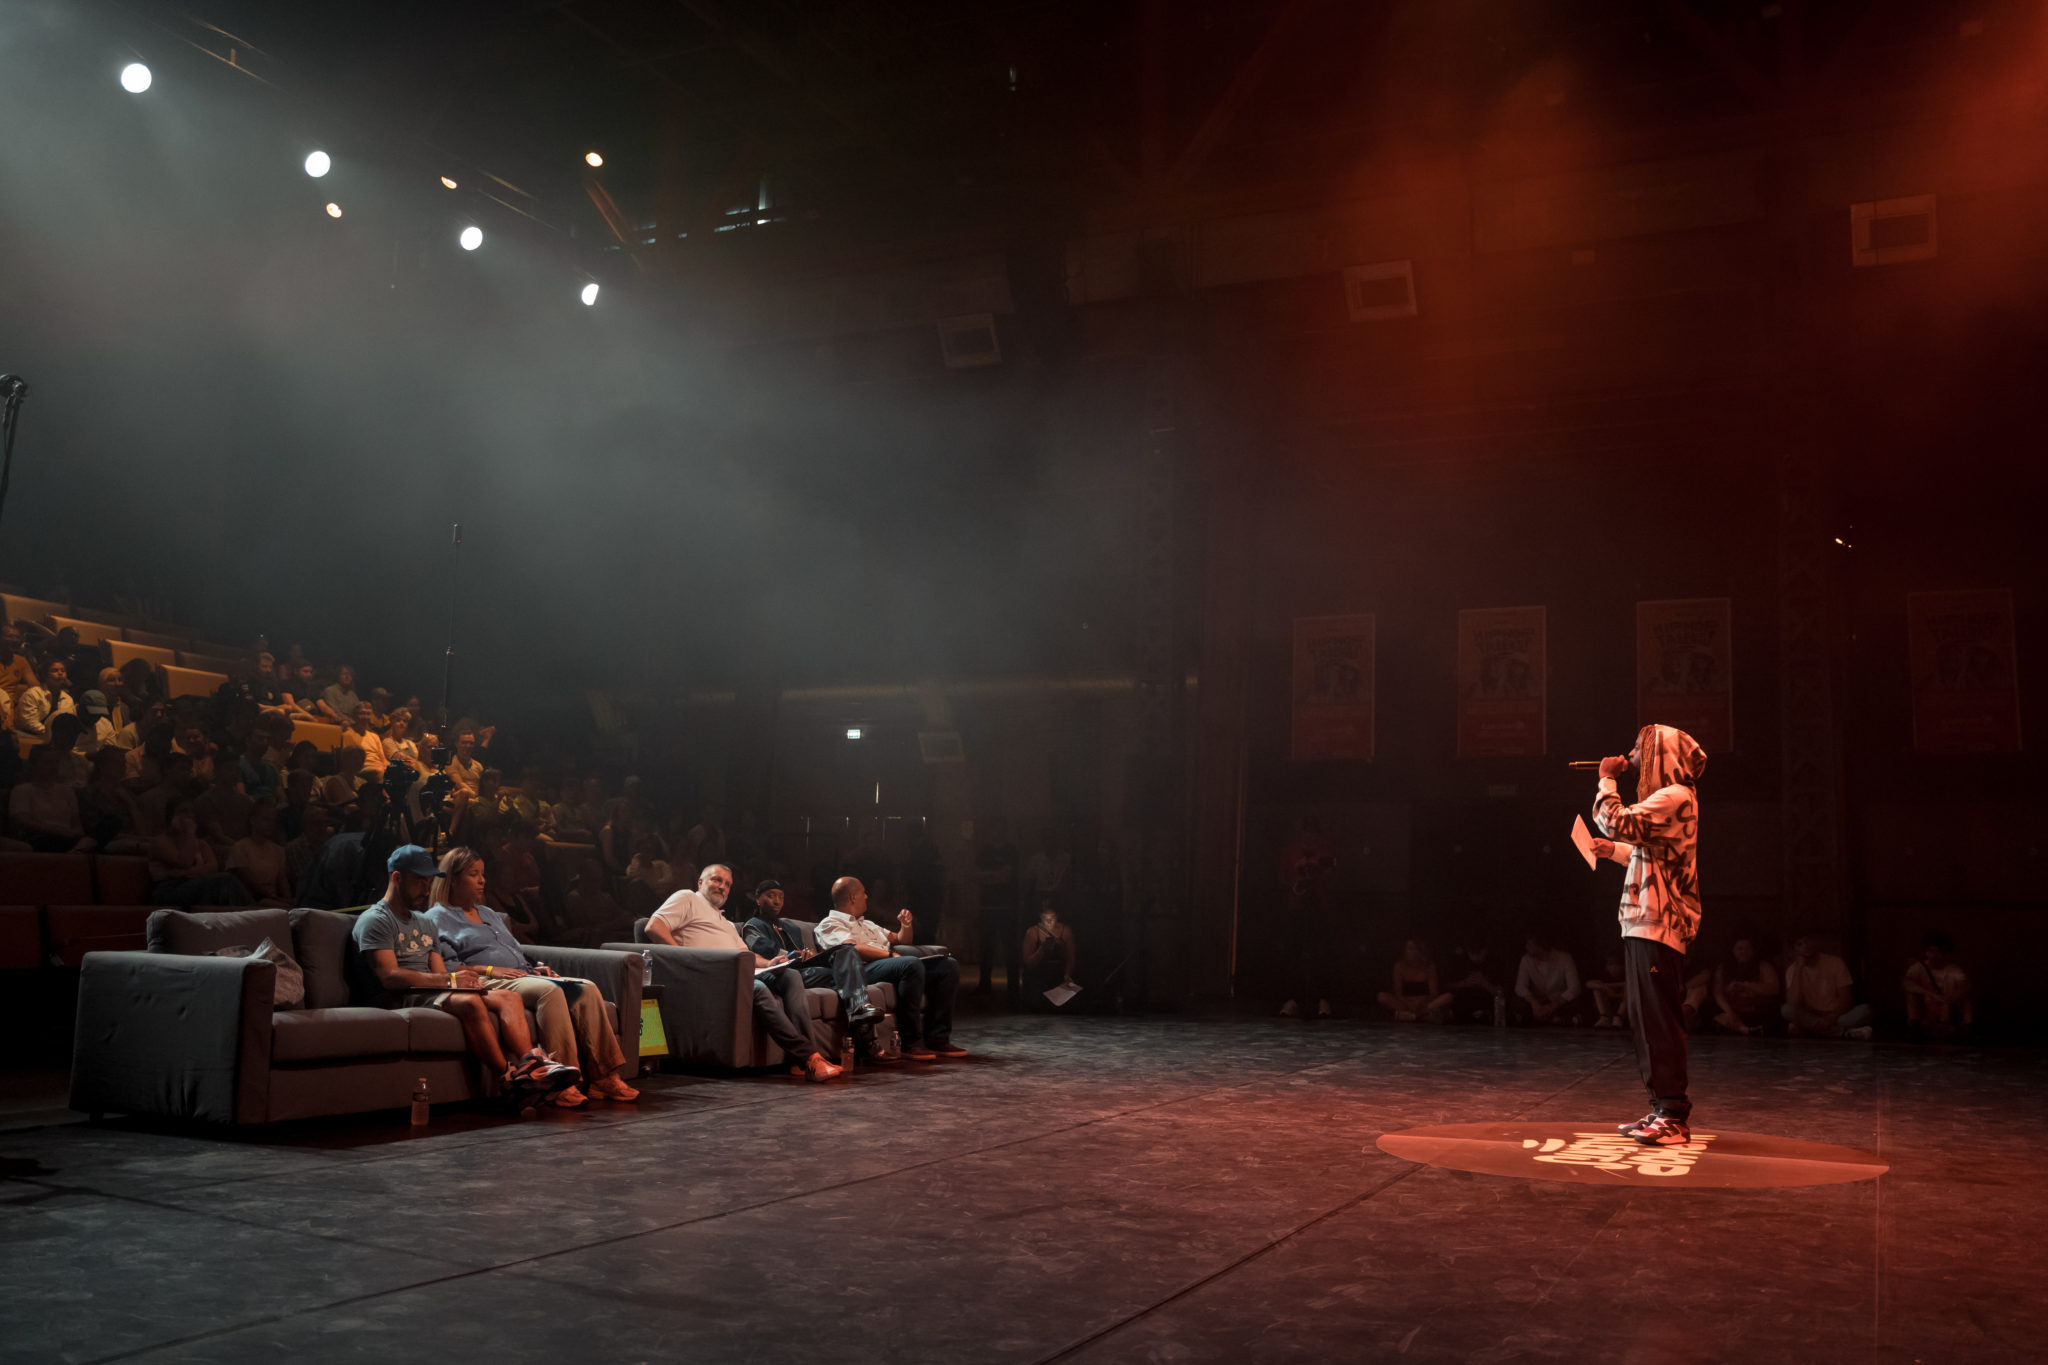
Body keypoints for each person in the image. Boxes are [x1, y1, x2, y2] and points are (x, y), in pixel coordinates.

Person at [354, 844, 576, 1104]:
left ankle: (531, 1064)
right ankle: (507, 1077)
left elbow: (438, 969)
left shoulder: (423, 922)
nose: (426, 889)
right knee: (470, 1002)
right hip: (402, 995)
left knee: (508, 997)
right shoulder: (377, 920)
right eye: (419, 881)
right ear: (397, 878)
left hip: (430, 990)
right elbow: (390, 976)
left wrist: (461, 981)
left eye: (429, 881)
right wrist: (449, 980)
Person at [427, 845, 639, 1104]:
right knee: (549, 991)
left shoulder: (488, 913)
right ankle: (561, 1082)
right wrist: (490, 969)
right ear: (453, 879)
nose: (482, 880)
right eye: (474, 874)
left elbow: (515, 949)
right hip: (487, 980)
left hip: (519, 974)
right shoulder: (437, 918)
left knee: (586, 988)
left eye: (482, 874)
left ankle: (604, 1078)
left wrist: (535, 967)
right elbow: (448, 967)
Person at [1591, 722, 1709, 1147]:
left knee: (1658, 1020)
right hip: (1647, 921)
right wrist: (1615, 852)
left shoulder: (1674, 796)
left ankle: (1673, 1114)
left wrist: (1607, 779)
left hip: (1659, 923)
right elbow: (1649, 854)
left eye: (1641, 749)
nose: (1632, 757)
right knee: (1646, 1019)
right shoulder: (1670, 800)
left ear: (1662, 754)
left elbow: (1614, 820)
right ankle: (1662, 1108)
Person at [646, 864, 844, 1082]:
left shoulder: (726, 923)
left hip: (739, 972)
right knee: (757, 988)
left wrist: (770, 963)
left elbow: (746, 954)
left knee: (790, 976)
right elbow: (654, 927)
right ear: (700, 882)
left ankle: (806, 1061)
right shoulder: (687, 898)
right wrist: (683, 958)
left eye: (727, 884)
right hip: (708, 974)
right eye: (716, 880)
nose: (722, 887)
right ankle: (809, 1058)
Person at [816, 876, 967, 1061]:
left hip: (887, 964)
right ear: (853, 897)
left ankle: (938, 1039)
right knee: (910, 964)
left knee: (947, 966)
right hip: (860, 971)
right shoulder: (830, 924)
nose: (867, 896)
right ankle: (910, 1043)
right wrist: (890, 955)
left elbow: (902, 940)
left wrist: (906, 924)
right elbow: (851, 949)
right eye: (863, 892)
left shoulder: (867, 924)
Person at [742, 878, 882, 1057]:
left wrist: (808, 954)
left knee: (847, 956)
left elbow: (803, 952)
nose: (777, 901)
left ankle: (859, 1011)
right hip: (784, 970)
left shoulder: (789, 926)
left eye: (780, 897)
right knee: (846, 976)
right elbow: (767, 951)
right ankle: (866, 1041)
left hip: (804, 966)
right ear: (757, 899)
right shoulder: (752, 925)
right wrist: (797, 954)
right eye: (770, 896)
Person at [1275, 816, 1335, 1019]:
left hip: (1319, 907)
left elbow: (1332, 874)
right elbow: (1281, 877)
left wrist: (1317, 871)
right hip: (1296, 906)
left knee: (1320, 953)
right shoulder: (1291, 850)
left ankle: (1322, 999)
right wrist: (1297, 877)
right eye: (1306, 833)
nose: (1309, 837)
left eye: (1312, 833)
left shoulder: (1325, 850)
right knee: (1293, 952)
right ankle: (1293, 998)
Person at [147, 796, 250, 907]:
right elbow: (184, 862)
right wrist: (190, 831)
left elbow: (213, 867)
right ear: (171, 816)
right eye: (183, 811)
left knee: (223, 888)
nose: (189, 816)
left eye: (192, 812)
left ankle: (252, 910)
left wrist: (187, 873)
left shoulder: (200, 844)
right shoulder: (160, 842)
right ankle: (254, 910)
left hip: (196, 886)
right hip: (169, 891)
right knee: (225, 880)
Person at [1783, 935, 1874, 1040]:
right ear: (1795, 950)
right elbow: (1793, 1002)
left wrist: (1832, 1017)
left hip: (1837, 1016)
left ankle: (1811, 1030)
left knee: (1866, 1011)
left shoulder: (1835, 963)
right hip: (1811, 1016)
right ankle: (1843, 1033)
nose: (1805, 946)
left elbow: (1846, 999)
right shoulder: (1792, 970)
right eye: (1800, 944)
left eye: (1807, 941)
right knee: (1786, 1010)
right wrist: (1799, 968)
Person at [8, 744, 94, 853]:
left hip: (68, 838)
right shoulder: (22, 790)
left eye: (56, 762)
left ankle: (76, 851)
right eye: (47, 763)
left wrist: (76, 834)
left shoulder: (66, 791)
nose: (53, 767)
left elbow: (76, 823)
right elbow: (22, 820)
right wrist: (57, 831)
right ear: (34, 765)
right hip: (39, 838)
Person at [1903, 932, 1972, 1042]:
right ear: (1926, 952)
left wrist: (1950, 999)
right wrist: (1931, 995)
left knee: (1965, 1000)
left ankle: (1968, 1027)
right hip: (1927, 1009)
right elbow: (1908, 984)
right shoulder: (1919, 968)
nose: (1935, 955)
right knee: (1911, 995)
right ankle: (1914, 1025)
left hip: (1948, 1009)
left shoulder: (1954, 970)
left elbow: (1965, 987)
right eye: (1931, 951)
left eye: (1939, 952)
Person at [1706, 937, 1781, 1035]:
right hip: (1732, 1011)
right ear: (1733, 950)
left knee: (1773, 1010)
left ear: (1753, 950)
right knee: (1710, 1010)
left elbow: (1774, 988)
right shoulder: (1723, 968)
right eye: (1740, 948)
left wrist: (1747, 986)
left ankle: (1743, 1028)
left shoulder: (1763, 966)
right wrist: (1729, 1011)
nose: (1744, 952)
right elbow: (1718, 993)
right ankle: (1745, 1030)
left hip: (1755, 1011)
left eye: (1748, 948)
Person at [227, 800, 293, 906]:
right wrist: (276, 899)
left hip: (274, 901)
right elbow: (248, 882)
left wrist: (288, 899)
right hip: (249, 900)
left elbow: (282, 880)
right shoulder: (240, 847)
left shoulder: (278, 850)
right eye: (266, 820)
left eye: (273, 820)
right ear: (252, 821)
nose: (270, 824)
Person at [1514, 934, 1583, 1025]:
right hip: (1538, 1002)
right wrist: (1533, 1002)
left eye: (1529, 944)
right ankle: (1552, 1019)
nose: (1526, 947)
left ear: (1540, 945)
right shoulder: (1526, 960)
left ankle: (1551, 1019)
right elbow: (1520, 986)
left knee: (1577, 1003)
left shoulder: (1565, 958)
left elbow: (1574, 988)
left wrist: (1554, 1005)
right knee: (1517, 1003)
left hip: (1559, 1002)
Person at [1377, 939, 1451, 1022]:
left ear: (1420, 951)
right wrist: (1406, 1004)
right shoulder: (1399, 966)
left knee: (1448, 997)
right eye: (1409, 948)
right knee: (1382, 996)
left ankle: (1416, 1016)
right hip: (1405, 1002)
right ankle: (1413, 1015)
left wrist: (1422, 1003)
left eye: (1414, 949)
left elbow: (1433, 992)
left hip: (1424, 1002)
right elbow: (1398, 991)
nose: (1411, 952)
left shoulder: (1429, 966)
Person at [1020, 902, 1079, 1006]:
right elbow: (1028, 963)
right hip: (1038, 975)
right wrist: (1042, 949)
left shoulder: (1066, 931)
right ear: (1040, 917)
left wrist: (1067, 974)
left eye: (1052, 918)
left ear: (1057, 917)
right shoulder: (1032, 932)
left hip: (1058, 975)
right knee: (1037, 1001)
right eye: (1045, 918)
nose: (1049, 921)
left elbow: (1071, 957)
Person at [12, 657, 76, 743]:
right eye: (55, 670)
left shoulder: (68, 699)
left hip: (53, 737)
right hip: (28, 734)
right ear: (45, 674)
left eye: (63, 670)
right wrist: (50, 733)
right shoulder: (33, 693)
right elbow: (28, 722)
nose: (60, 673)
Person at [1444, 939, 1505, 1024]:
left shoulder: (1493, 964)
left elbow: (1501, 994)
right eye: (1472, 954)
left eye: (1479, 954)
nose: (1475, 958)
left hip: (1486, 1005)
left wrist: (1484, 983)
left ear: (1485, 951)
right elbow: (1447, 986)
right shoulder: (1461, 962)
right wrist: (1465, 983)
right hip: (1463, 1006)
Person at [1585, 948, 1629, 1030]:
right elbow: (1588, 984)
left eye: (1617, 964)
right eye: (1611, 964)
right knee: (1597, 990)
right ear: (1606, 966)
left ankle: (1618, 1017)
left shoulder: (1628, 975)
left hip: (1624, 1011)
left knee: (1628, 989)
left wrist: (1615, 992)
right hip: (1608, 1009)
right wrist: (1605, 987)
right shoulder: (1604, 976)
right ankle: (1604, 1017)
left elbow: (1629, 984)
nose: (1614, 967)